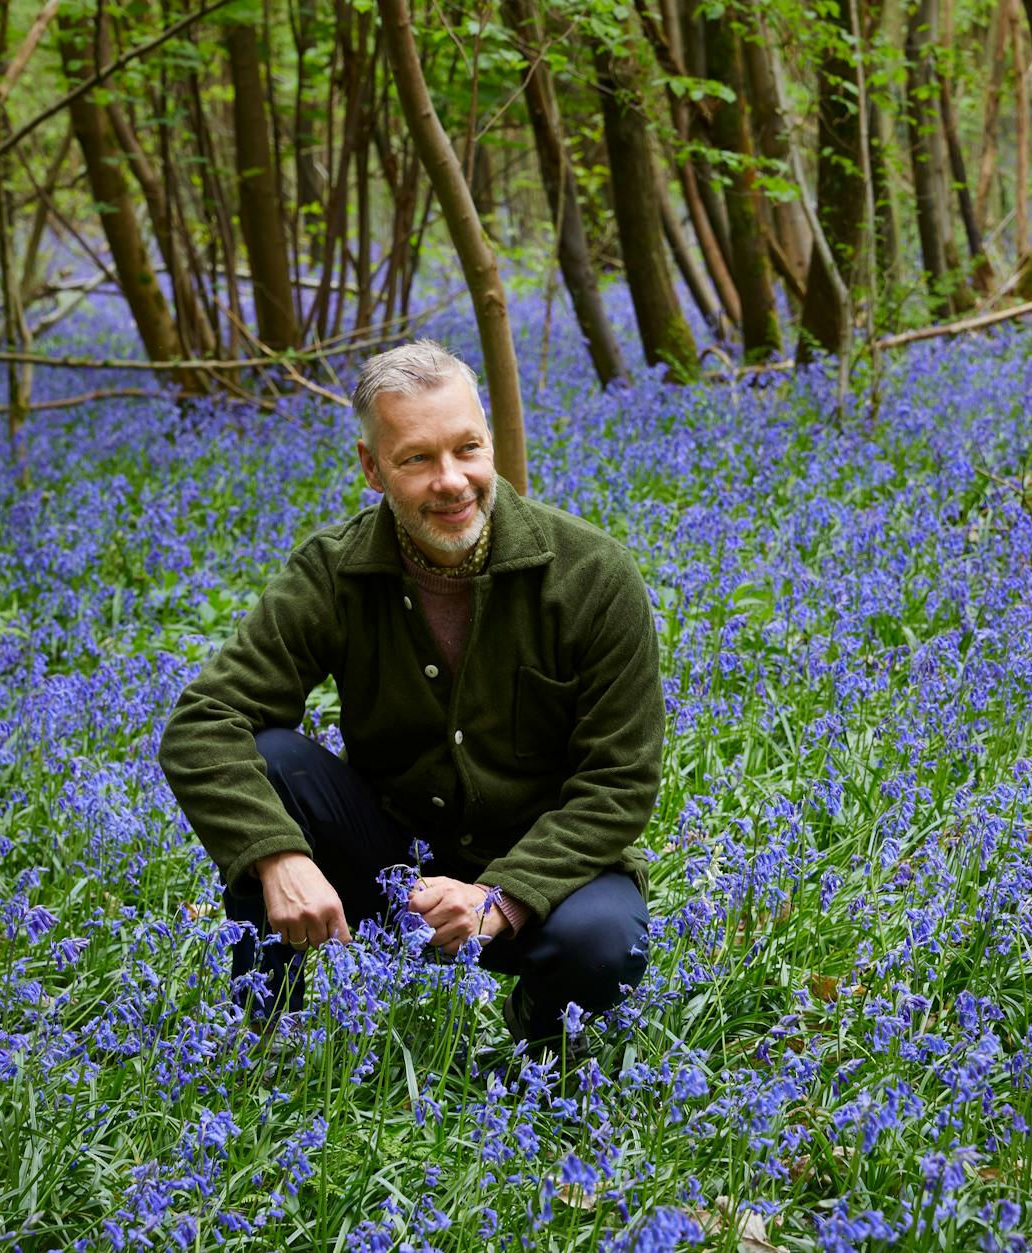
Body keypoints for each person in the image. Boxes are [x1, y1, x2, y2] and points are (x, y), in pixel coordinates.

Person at [157, 339, 663, 1054]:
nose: (452, 480)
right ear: (372, 469)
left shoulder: (593, 575)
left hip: (545, 876)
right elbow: (203, 721)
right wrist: (276, 855)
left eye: (467, 448)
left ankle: (533, 1061)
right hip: (391, 867)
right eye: (417, 458)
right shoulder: (334, 573)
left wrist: (500, 896)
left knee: (604, 941)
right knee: (266, 756)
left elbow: (619, 783)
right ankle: (268, 1039)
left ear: (490, 442)